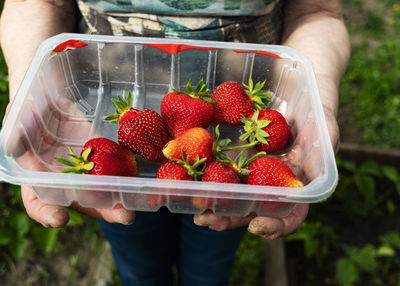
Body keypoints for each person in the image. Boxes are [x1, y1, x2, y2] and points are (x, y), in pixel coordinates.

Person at [0, 0, 350, 285]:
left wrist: (316, 96)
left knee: (211, 258)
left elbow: (315, 10)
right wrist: (31, 89)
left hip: (238, 145)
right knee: (137, 256)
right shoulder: (139, 140)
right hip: (101, 127)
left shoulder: (217, 128)